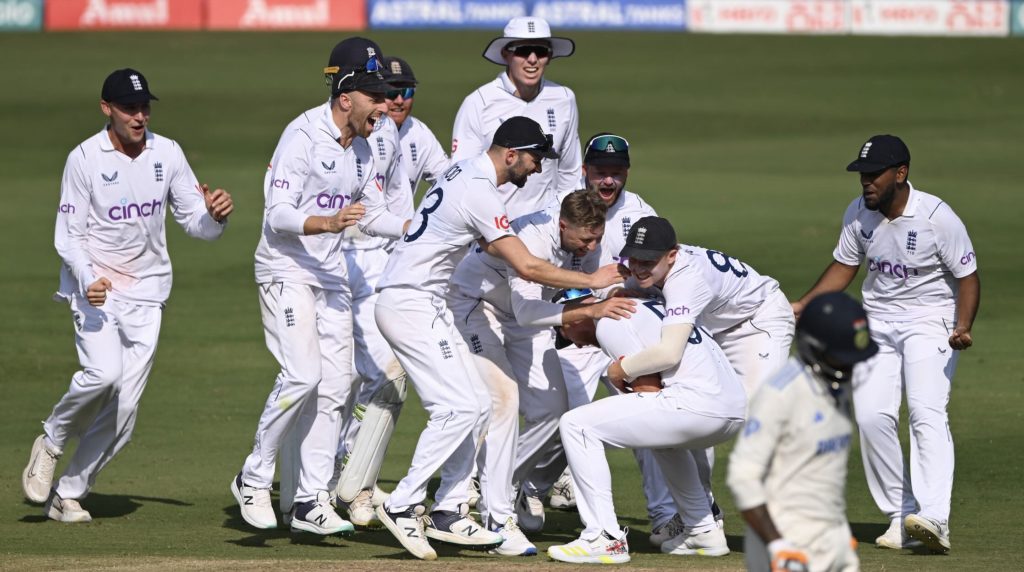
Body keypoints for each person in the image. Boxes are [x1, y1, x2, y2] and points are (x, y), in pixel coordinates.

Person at [372, 116, 625, 561]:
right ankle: (407, 503)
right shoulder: (480, 190)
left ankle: (454, 509)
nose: (535, 169)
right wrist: (593, 286)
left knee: (485, 402)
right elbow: (527, 269)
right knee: (469, 405)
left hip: (422, 299)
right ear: (511, 154)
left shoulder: (466, 173)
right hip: (427, 301)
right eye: (532, 159)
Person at [22, 68, 233, 522]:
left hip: (148, 292)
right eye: (129, 108)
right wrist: (86, 278)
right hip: (96, 288)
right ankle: (52, 439)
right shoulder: (84, 159)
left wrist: (214, 216)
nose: (139, 117)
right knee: (103, 374)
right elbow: (68, 236)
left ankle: (68, 495)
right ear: (107, 109)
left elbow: (196, 223)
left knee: (126, 413)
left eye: (144, 107)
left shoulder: (168, 153)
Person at [232, 37, 408, 536]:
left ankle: (310, 499)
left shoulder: (367, 147)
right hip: (286, 269)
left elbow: (371, 214)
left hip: (330, 275)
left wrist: (419, 230)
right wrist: (328, 224)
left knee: (336, 386)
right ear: (346, 96)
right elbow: (278, 214)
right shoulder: (302, 136)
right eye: (376, 96)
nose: (386, 105)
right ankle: (254, 474)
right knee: (302, 376)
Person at [791, 135, 979, 554]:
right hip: (878, 323)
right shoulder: (859, 213)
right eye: (862, 175)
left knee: (926, 410)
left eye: (874, 175)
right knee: (873, 416)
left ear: (901, 173)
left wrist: (962, 326)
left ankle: (934, 517)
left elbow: (967, 276)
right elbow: (845, 265)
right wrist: (805, 303)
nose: (866, 183)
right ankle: (900, 514)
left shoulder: (936, 217)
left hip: (932, 322)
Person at [447, 189, 636, 556]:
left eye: (597, 237)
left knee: (553, 413)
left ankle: (498, 490)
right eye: (585, 238)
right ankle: (491, 514)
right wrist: (590, 306)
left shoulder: (587, 243)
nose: (592, 245)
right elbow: (528, 312)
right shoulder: (532, 238)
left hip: (524, 317)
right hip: (475, 306)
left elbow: (564, 298)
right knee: (503, 403)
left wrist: (608, 295)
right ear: (564, 225)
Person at [329, 56, 450, 527]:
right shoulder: (366, 131)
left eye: (406, 91)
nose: (398, 99)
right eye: (390, 91)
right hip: (350, 257)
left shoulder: (416, 133)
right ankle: (340, 477)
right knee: (351, 376)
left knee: (381, 375)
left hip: (395, 263)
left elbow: (449, 176)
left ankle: (354, 475)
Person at [548, 289, 746, 564]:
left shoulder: (609, 320)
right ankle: (702, 531)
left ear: (572, 319)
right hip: (733, 410)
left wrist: (618, 376)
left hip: (697, 407)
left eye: (564, 335)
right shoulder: (648, 306)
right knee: (661, 438)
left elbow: (648, 390)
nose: (576, 346)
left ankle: (604, 538)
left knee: (576, 425)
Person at [728, 291, 875, 572]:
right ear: (813, 347)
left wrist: (839, 532)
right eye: (840, 358)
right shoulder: (780, 394)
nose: (850, 366)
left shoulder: (836, 384)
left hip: (834, 538)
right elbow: (742, 478)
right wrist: (777, 545)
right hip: (787, 544)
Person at [452, 16, 581, 220]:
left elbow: (570, 173)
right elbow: (462, 175)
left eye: (540, 51)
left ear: (549, 55)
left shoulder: (564, 98)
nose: (532, 59)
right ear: (506, 54)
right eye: (522, 51)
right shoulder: (478, 102)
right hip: (493, 230)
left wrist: (561, 222)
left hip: (547, 229)